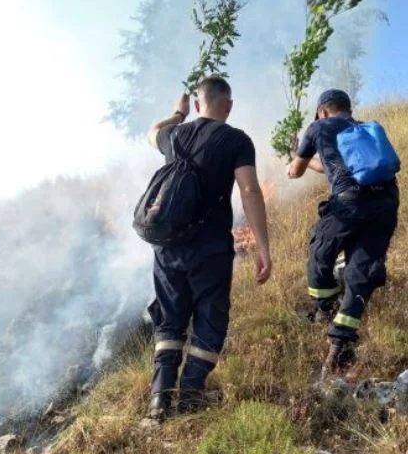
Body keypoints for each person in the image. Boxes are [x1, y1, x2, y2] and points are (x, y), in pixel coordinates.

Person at [144, 76, 272, 420]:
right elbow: (249, 191)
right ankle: (189, 395)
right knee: (210, 320)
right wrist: (263, 246)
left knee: (170, 322)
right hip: (211, 249)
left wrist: (177, 113)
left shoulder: (176, 135)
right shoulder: (236, 140)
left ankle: (159, 398)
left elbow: (151, 131)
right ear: (227, 104)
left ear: (197, 104)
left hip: (168, 248)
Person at [287, 88, 399, 380]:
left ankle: (324, 307)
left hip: (349, 203)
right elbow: (328, 166)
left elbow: (295, 172)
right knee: (362, 270)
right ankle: (341, 342)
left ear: (323, 111)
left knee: (319, 252)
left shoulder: (319, 127)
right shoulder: (362, 132)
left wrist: (291, 157)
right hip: (386, 202)